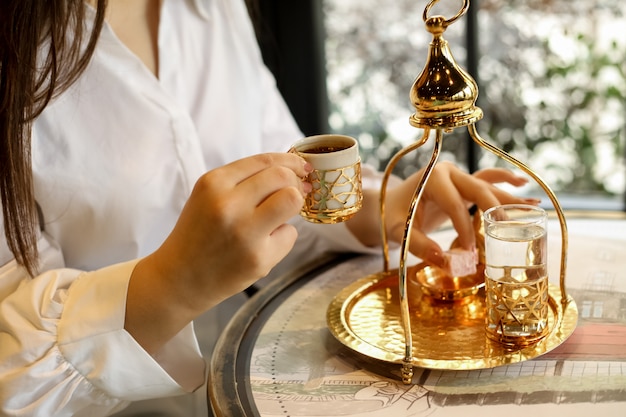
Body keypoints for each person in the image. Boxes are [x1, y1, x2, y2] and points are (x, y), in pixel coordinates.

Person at [0, 0, 537, 415]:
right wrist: (171, 284)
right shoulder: (19, 45)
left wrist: (383, 205)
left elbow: (284, 176)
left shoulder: (215, 9)